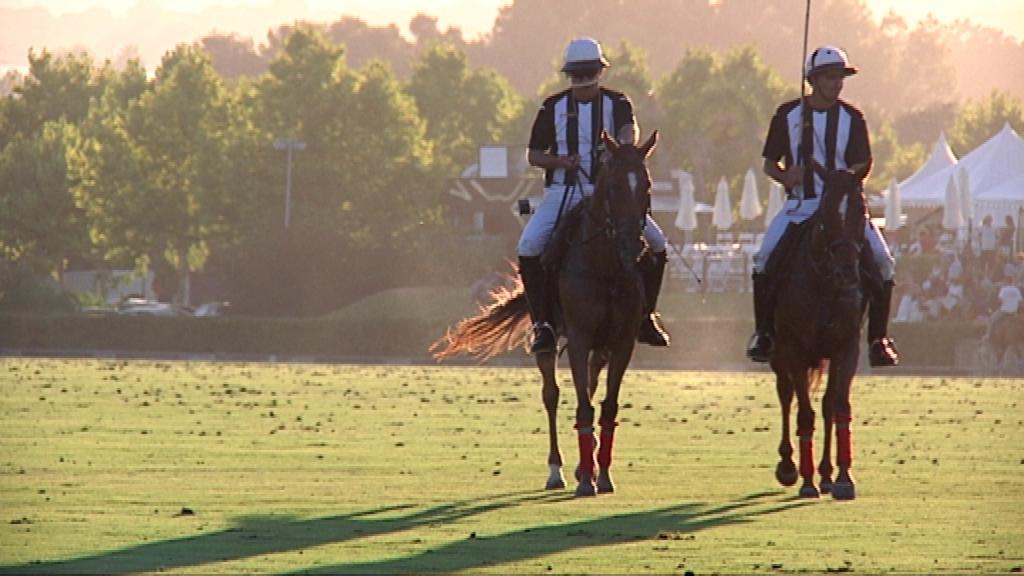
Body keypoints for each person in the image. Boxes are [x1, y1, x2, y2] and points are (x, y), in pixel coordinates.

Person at [746, 46, 900, 366]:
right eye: (831, 77)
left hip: (843, 209)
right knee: (763, 261)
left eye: (841, 77)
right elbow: (769, 164)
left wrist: (845, 183)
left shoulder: (853, 118)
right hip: (801, 204)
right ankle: (763, 333)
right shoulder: (787, 114)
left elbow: (862, 163)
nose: (837, 83)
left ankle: (878, 339)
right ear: (813, 79)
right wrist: (787, 177)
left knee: (884, 263)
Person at [518, 37, 671, 354]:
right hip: (564, 191)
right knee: (529, 245)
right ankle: (543, 324)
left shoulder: (618, 103)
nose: (584, 81)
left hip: (610, 193)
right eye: (579, 74)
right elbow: (534, 155)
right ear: (571, 75)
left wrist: (621, 149)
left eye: (588, 73)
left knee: (657, 243)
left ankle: (646, 316)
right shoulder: (552, 107)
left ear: (599, 72)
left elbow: (630, 132)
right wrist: (561, 161)